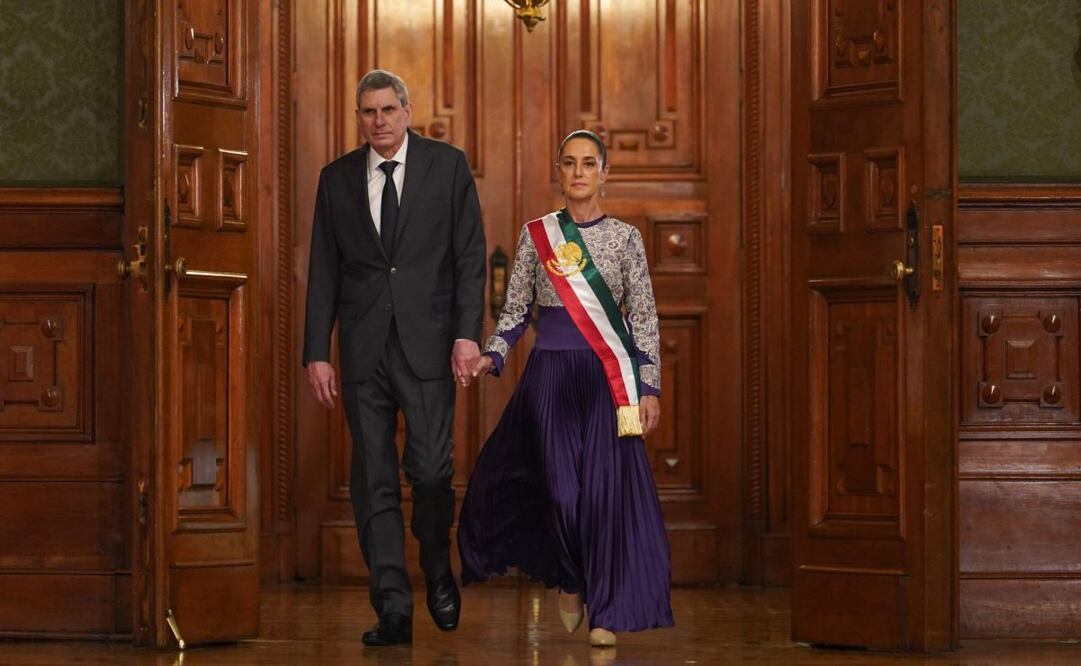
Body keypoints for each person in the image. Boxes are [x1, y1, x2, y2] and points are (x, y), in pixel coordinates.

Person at [457, 129, 674, 648]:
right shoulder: (538, 235)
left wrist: (649, 387)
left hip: (608, 381)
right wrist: (493, 354)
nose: (578, 172)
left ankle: (605, 607)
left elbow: (642, 317)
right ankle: (570, 578)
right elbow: (514, 313)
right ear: (559, 171)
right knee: (560, 491)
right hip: (550, 378)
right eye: (569, 163)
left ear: (604, 173)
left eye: (588, 163)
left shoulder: (625, 239)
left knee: (604, 495)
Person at [303, 69, 486, 646]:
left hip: (430, 344)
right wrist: (317, 352)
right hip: (361, 350)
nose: (378, 120)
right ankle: (393, 608)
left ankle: (436, 565)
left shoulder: (447, 165)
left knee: (431, 470)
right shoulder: (335, 179)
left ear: (407, 111)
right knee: (374, 479)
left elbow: (470, 255)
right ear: (359, 118)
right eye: (367, 112)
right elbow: (324, 271)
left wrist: (466, 334)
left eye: (387, 109)